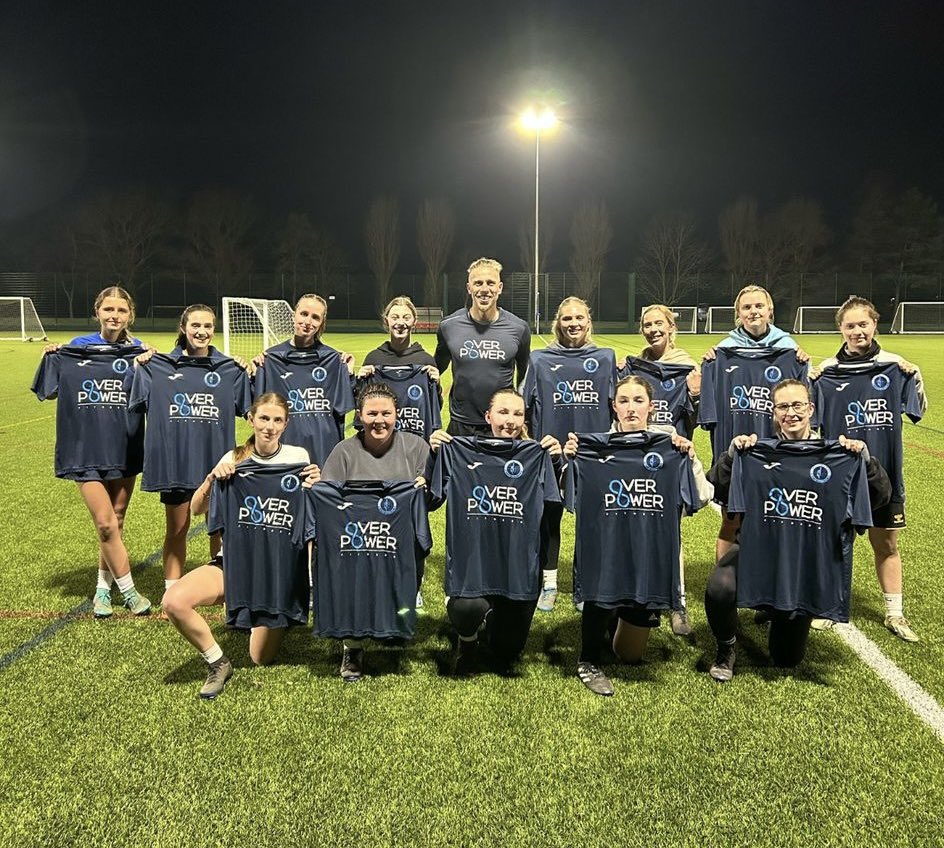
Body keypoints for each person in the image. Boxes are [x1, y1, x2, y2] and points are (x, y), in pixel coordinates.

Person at [704, 379, 891, 682]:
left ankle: (776, 608)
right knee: (720, 586)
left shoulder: (838, 454)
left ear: (811, 409)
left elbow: (880, 498)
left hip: (804, 564)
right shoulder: (756, 451)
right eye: (783, 407)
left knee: (787, 659)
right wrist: (731, 455)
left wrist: (865, 463)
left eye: (797, 405)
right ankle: (726, 648)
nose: (790, 413)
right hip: (759, 553)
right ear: (773, 412)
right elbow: (714, 485)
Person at [162, 393, 319, 699]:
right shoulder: (233, 459)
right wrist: (210, 480)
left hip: (276, 571)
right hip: (234, 563)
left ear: (286, 424)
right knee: (173, 601)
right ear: (251, 419)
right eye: (264, 418)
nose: (269, 427)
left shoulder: (298, 458)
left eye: (277, 420)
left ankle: (275, 613)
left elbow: (314, 513)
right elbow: (196, 509)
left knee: (260, 658)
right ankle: (218, 663)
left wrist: (317, 481)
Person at [562, 375, 712, 695]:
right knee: (602, 578)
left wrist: (690, 458)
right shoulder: (594, 446)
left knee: (629, 655)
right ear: (614, 407)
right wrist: (572, 461)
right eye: (624, 401)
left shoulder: (670, 444)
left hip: (646, 555)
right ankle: (587, 658)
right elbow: (571, 499)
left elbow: (699, 498)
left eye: (638, 401)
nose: (631, 408)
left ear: (652, 407)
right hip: (608, 551)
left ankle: (618, 617)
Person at [810, 296, 928, 642]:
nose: (858, 330)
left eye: (864, 324)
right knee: (834, 542)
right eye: (851, 325)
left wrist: (915, 376)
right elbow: (812, 425)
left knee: (887, 544)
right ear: (841, 329)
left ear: (875, 324)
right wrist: (812, 379)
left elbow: (918, 408)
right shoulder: (827, 372)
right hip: (840, 477)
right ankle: (830, 606)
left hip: (884, 474)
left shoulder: (895, 367)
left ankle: (895, 612)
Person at [32, 285, 152, 619]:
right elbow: (51, 391)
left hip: (125, 445)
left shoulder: (141, 352)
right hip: (84, 450)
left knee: (118, 518)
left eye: (121, 310)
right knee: (104, 523)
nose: (115, 316)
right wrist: (54, 356)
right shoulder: (75, 349)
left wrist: (149, 361)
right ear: (97, 311)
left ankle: (102, 588)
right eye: (109, 309)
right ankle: (128, 592)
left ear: (130, 315)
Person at [429, 388, 562, 675]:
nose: (510, 420)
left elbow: (552, 516)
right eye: (503, 412)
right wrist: (434, 454)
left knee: (507, 650)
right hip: (474, 566)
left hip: (517, 570)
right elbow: (431, 498)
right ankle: (467, 639)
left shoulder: (536, 456)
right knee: (467, 610)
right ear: (488, 416)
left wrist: (556, 461)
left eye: (517, 413)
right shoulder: (460, 453)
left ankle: (496, 619)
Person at [129, 304, 252, 597]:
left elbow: (249, 411)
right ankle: (171, 592)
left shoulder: (229, 369)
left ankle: (224, 591)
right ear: (183, 328)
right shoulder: (156, 367)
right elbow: (135, 402)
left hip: (217, 465)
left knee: (219, 530)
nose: (202, 331)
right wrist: (140, 364)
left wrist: (248, 369)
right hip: (176, 465)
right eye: (195, 325)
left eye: (208, 326)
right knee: (176, 530)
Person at [318, 382, 431, 680]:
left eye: (386, 413)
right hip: (355, 537)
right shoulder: (344, 451)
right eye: (371, 414)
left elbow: (433, 501)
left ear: (397, 415)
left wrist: (423, 488)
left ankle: (397, 622)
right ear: (359, 415)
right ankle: (352, 645)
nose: (379, 420)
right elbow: (328, 500)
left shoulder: (417, 447)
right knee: (354, 581)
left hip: (401, 538)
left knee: (406, 587)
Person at [701, 285, 809, 563]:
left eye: (759, 306)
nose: (753, 312)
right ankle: (724, 584)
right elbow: (708, 417)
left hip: (777, 455)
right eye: (747, 307)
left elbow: (805, 409)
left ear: (770, 310)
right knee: (731, 521)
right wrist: (709, 365)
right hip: (735, 454)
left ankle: (768, 577)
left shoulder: (789, 351)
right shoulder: (721, 353)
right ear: (738, 313)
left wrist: (803, 365)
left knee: (775, 519)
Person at [522, 296, 616, 612]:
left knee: (592, 522)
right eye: (566, 318)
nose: (573, 323)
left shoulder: (605, 359)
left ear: (588, 322)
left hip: (591, 457)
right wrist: (535, 447)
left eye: (578, 318)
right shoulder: (540, 359)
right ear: (557, 323)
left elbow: (618, 408)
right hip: (550, 455)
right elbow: (524, 410)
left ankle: (585, 585)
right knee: (549, 520)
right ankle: (548, 583)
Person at [618, 304, 704, 634]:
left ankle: (677, 602)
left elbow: (697, 419)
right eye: (647, 324)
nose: (653, 329)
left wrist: (695, 395)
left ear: (671, 327)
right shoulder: (635, 368)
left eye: (659, 323)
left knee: (670, 533)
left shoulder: (687, 369)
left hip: (668, 461)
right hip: (634, 458)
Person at [252, 293, 355, 465]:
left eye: (315, 317)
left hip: (325, 451)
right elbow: (257, 411)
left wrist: (348, 374)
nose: (308, 322)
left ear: (322, 322)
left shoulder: (334, 360)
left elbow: (348, 404)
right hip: (284, 451)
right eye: (304, 314)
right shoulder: (270, 359)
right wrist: (257, 373)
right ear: (294, 315)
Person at [435, 258, 531, 436]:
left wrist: (522, 416)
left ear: (499, 288)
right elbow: (435, 369)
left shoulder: (519, 328)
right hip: (461, 424)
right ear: (469, 288)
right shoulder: (449, 326)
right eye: (478, 283)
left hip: (502, 426)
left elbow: (524, 377)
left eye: (490, 283)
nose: (484, 289)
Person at [356, 296, 443, 443]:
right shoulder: (373, 359)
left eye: (406, 317)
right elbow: (361, 409)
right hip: (381, 445)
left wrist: (437, 386)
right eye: (395, 317)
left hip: (415, 444)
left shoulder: (425, 361)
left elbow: (433, 409)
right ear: (386, 321)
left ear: (414, 322)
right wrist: (359, 382)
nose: (400, 323)